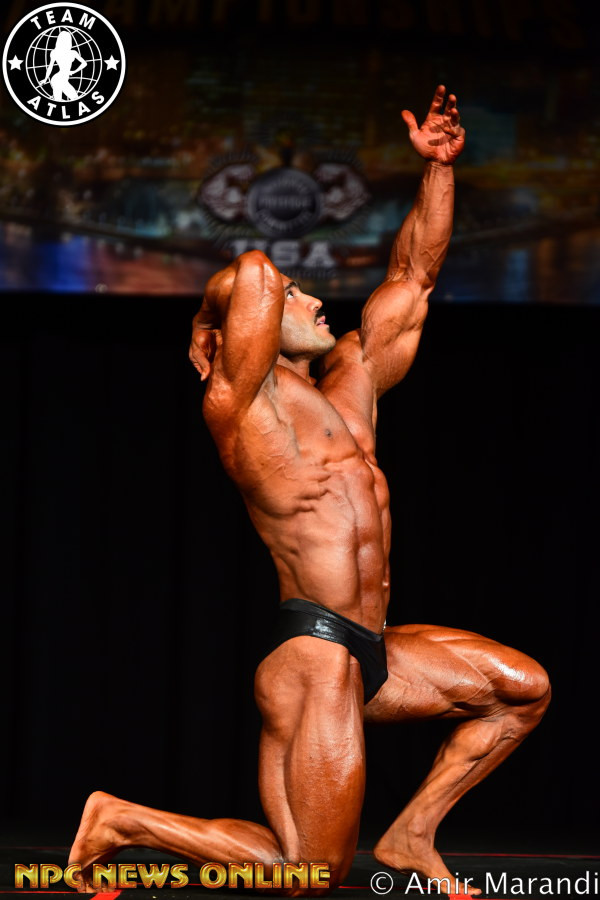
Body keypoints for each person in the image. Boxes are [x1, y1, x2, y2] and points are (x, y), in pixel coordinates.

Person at [69, 87, 550, 895]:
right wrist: (213, 318)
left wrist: (437, 170)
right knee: (309, 877)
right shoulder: (240, 405)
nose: (316, 299)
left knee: (522, 693)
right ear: (236, 330)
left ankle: (412, 834)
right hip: (316, 655)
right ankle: (121, 820)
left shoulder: (352, 384)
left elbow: (415, 275)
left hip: (374, 649)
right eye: (300, 295)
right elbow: (254, 275)